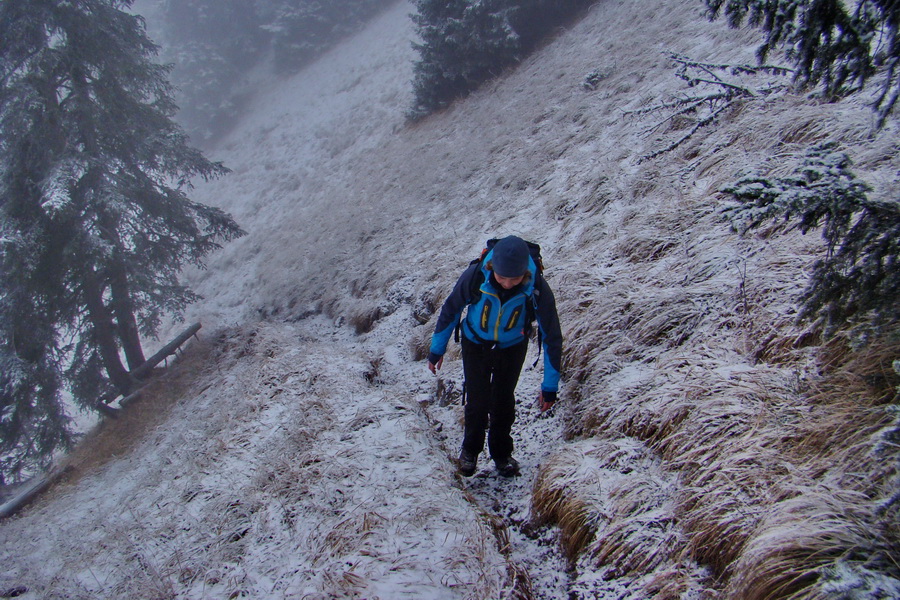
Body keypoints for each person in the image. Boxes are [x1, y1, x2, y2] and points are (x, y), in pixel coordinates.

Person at [427, 236, 563, 477]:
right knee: (477, 400)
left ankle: (501, 454)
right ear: (492, 268)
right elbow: (451, 310)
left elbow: (551, 335)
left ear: (524, 272)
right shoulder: (476, 275)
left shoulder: (537, 286)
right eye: (502, 278)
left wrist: (550, 386)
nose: (508, 284)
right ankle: (470, 451)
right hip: (475, 344)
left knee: (503, 401)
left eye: (515, 278)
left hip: (512, 348)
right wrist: (437, 350)